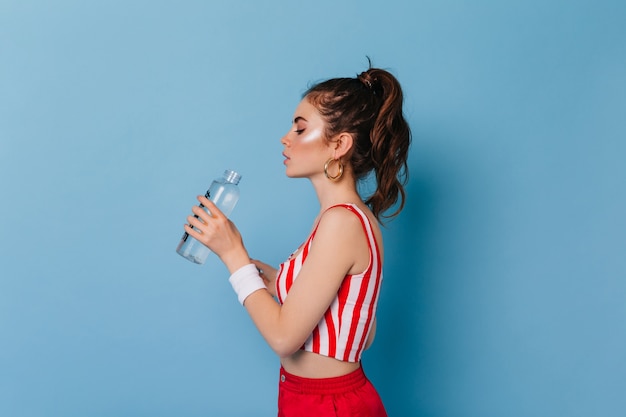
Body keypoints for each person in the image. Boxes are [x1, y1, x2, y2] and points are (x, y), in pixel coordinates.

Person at [183, 64, 411, 416]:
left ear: (339, 144)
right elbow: (361, 331)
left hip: (328, 404)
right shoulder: (350, 217)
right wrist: (284, 284)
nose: (285, 137)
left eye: (300, 128)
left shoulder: (341, 222)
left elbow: (283, 338)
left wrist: (234, 256)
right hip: (313, 398)